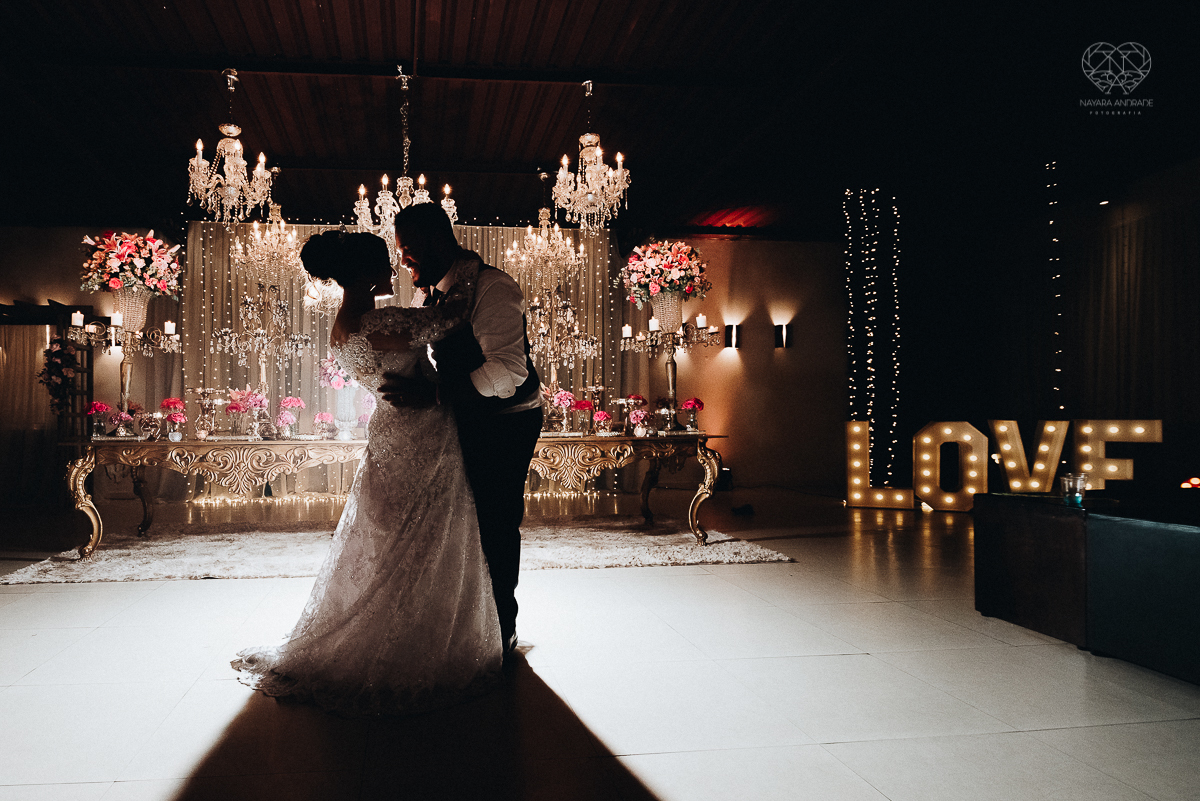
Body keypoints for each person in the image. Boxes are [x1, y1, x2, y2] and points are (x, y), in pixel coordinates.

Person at [232, 231, 503, 716]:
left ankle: (413, 629)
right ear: (364, 274)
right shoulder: (379, 321)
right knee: (422, 537)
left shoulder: (341, 324)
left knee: (397, 538)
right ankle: (413, 644)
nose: (395, 270)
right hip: (420, 430)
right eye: (386, 264)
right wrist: (470, 271)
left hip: (391, 430)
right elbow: (448, 319)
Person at [381, 203, 543, 657]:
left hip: (509, 419)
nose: (404, 260)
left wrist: (434, 397)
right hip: (465, 412)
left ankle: (501, 633)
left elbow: (508, 371)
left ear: (437, 241)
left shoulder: (492, 287)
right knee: (459, 521)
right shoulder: (428, 293)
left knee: (495, 519)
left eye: (409, 250)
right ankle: (467, 624)